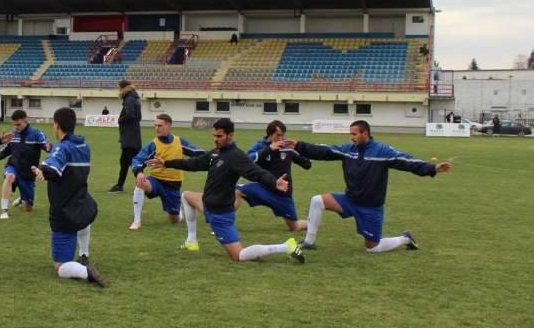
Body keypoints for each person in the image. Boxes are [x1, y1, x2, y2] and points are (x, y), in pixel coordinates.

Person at [147, 118, 305, 263]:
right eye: (214, 135)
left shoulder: (236, 156)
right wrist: (166, 163)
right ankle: (191, 241)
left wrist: (274, 182)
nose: (216, 139)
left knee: (239, 256)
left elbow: (256, 172)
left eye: (220, 136)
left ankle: (285, 246)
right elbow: (192, 164)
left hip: (220, 215)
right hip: (207, 204)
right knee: (187, 196)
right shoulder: (215, 153)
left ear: (230, 135)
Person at [283, 120, 453, 253]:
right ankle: (309, 242)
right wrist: (298, 145)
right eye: (350, 134)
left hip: (370, 208)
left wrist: (432, 168)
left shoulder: (382, 151)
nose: (351, 137)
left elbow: (407, 161)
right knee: (317, 201)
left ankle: (405, 239)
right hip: (350, 200)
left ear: (365, 133)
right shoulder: (348, 149)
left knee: (373, 248)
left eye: (354, 134)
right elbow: (325, 151)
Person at [32, 107, 108, 287]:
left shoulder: (62, 147)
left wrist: (42, 169)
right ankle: (84, 254)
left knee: (60, 267)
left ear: (56, 125)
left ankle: (85, 271)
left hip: (64, 211)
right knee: (83, 224)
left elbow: (53, 165)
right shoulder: (84, 145)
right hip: (82, 204)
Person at [128, 113, 203, 230]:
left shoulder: (179, 141)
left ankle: (178, 211)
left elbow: (197, 152)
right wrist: (139, 172)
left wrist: (214, 155)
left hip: (173, 185)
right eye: (155, 125)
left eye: (160, 125)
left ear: (169, 126)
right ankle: (136, 221)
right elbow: (137, 159)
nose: (156, 128)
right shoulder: (153, 144)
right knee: (141, 182)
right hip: (155, 181)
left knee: (175, 220)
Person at [235, 120, 312, 233]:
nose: (281, 138)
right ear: (270, 134)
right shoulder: (260, 145)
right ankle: (225, 224)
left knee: (294, 227)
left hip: (282, 194)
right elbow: (247, 160)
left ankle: (311, 224)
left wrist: (299, 148)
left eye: (282, 135)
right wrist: (269, 149)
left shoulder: (286, 146)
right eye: (278, 135)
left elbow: (307, 164)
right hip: (263, 188)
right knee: (236, 191)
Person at [0, 109, 50, 218]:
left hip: (28, 173)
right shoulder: (13, 134)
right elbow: (6, 150)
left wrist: (48, 146)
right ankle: (4, 210)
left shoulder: (37, 134)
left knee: (28, 208)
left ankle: (22, 199)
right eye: (14, 125)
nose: (16, 127)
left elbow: (46, 144)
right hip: (13, 166)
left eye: (18, 124)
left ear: (25, 121)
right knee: (9, 177)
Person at [108, 79, 141, 193]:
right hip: (133, 135)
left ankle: (141, 185)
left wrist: (120, 120)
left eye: (118, 87)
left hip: (129, 137)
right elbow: (138, 117)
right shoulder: (134, 98)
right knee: (126, 162)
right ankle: (120, 185)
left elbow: (130, 115)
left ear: (123, 88)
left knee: (131, 163)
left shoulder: (129, 99)